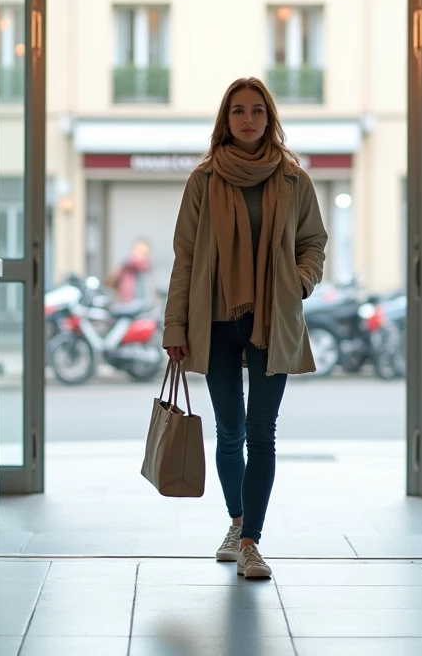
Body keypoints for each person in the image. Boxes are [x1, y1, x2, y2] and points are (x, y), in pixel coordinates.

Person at [162, 77, 328, 580]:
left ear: (270, 118)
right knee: (230, 431)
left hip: (271, 319)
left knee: (262, 432)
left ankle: (252, 542)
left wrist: (298, 282)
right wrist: (174, 323)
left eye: (257, 110)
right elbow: (186, 258)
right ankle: (236, 523)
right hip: (215, 320)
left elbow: (313, 242)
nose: (248, 119)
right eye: (238, 111)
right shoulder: (204, 180)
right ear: (226, 120)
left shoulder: (295, 180)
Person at [110, 237, 152, 303]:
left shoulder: (135, 259)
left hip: (137, 293)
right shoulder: (134, 258)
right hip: (131, 293)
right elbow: (142, 264)